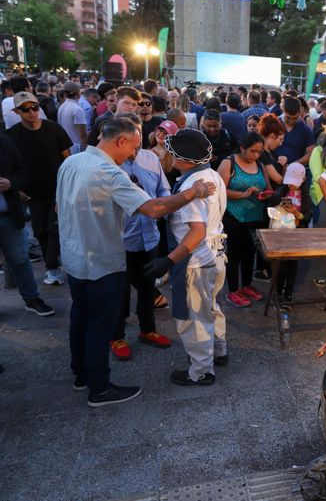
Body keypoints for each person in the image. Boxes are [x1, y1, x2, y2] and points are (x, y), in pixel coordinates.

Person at [56, 118, 216, 406]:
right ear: (120, 141)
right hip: (101, 262)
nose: (134, 155)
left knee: (79, 319)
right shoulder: (109, 172)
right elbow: (154, 209)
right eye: (133, 147)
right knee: (99, 327)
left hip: (74, 258)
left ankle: (81, 376)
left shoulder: (73, 161)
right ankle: (100, 389)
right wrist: (194, 192)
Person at [145, 129, 228, 386]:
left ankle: (201, 370)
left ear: (183, 158)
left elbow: (196, 232)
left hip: (195, 261)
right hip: (217, 256)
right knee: (211, 307)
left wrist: (168, 261)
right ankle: (219, 350)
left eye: (171, 152)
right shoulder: (211, 174)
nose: (168, 156)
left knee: (193, 317)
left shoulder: (195, 186)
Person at [110, 113, 174, 360]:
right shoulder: (110, 164)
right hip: (120, 238)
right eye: (132, 143)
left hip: (149, 236)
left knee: (148, 287)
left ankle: (148, 329)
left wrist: (160, 208)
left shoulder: (150, 158)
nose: (136, 149)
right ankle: (116, 336)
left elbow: (163, 189)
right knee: (120, 289)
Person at [6, 91, 72, 286]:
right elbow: (10, 167)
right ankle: (52, 264)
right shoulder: (12, 135)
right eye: (25, 109)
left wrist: (68, 185)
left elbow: (67, 159)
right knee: (40, 230)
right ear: (17, 111)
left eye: (35, 107)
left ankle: (52, 267)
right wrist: (17, 190)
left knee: (54, 228)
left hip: (57, 188)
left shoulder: (54, 129)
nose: (32, 112)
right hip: (31, 193)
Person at [0, 132, 55, 316]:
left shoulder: (5, 141)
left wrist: (11, 183)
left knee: (20, 260)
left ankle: (32, 298)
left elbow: (22, 170)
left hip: (9, 215)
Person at [216, 133, 270, 308]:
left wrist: (266, 195)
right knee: (233, 255)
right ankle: (233, 290)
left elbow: (268, 187)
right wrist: (243, 194)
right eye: (252, 151)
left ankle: (247, 285)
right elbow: (219, 190)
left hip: (255, 216)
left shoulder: (260, 165)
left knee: (250, 253)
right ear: (242, 148)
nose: (255, 155)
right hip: (233, 215)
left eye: (259, 152)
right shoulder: (229, 163)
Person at [274, 162, 312, 304]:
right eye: (289, 182)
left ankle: (288, 294)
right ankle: (277, 293)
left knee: (292, 266)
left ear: (302, 180)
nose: (291, 185)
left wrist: (297, 213)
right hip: (281, 235)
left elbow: (307, 217)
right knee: (280, 266)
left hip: (297, 236)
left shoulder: (306, 197)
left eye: (294, 183)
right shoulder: (280, 192)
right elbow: (271, 210)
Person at [272, 97, 315, 165]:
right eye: (288, 117)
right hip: (273, 166)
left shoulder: (305, 129)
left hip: (294, 170)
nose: (291, 121)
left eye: (295, 118)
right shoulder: (273, 125)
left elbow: (312, 153)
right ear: (283, 110)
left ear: (300, 112)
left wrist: (294, 164)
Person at [57, 81, 88, 154]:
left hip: (65, 147)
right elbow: (83, 134)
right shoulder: (77, 109)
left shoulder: (62, 106)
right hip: (76, 148)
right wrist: (87, 150)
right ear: (78, 93)